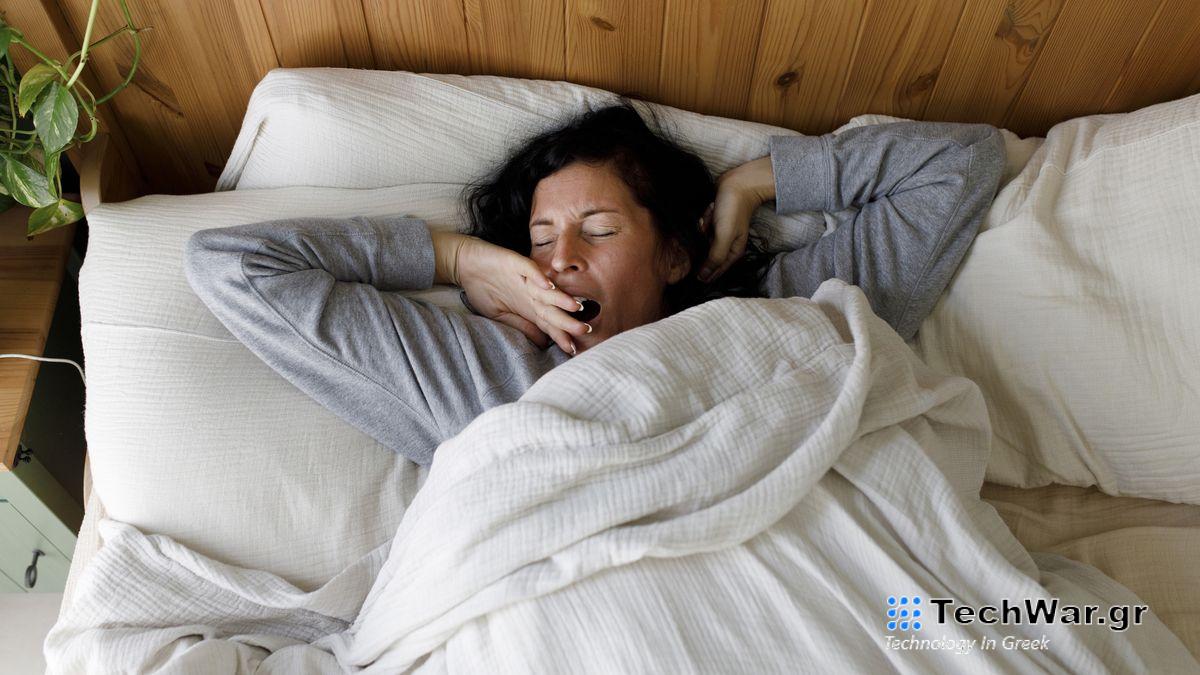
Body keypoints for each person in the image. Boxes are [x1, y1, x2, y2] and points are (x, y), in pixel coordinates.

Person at [184, 103, 1006, 466]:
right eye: (539, 242)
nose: (559, 257)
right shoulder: (486, 379)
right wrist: (461, 260)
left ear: (676, 256)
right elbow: (231, 267)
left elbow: (962, 161)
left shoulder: (781, 311)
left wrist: (751, 185)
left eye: (600, 230)